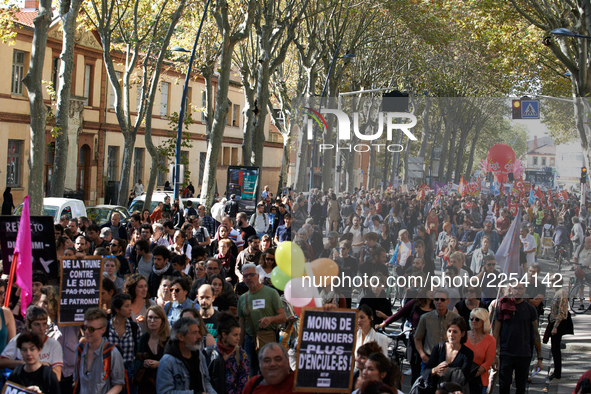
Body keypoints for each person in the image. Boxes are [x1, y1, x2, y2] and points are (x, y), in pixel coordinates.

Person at [238, 263, 286, 377]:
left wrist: (270, 319)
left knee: (269, 371)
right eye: (245, 276)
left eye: (251, 275)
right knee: (250, 373)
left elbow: (283, 317)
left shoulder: (271, 293)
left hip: (267, 338)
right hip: (249, 341)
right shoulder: (242, 298)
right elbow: (242, 327)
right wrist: (238, 349)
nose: (248, 278)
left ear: (258, 276)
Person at [493, 282, 542, 394]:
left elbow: (535, 333)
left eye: (520, 289)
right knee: (504, 385)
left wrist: (539, 358)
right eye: (515, 288)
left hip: (523, 353)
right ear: (511, 290)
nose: (517, 291)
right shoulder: (502, 306)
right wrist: (494, 354)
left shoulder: (530, 309)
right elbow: (496, 332)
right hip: (506, 353)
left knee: (521, 387)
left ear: (524, 290)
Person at [0, 306, 63, 381]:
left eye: (44, 324)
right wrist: (22, 363)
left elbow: (57, 377)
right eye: (37, 324)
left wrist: (39, 367)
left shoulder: (54, 345)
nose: (42, 329)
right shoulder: (18, 339)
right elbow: (2, 362)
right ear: (29, 325)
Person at [156, 317, 216, 393]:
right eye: (194, 333)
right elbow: (164, 392)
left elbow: (206, 381)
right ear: (181, 337)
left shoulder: (199, 356)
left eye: (198, 332)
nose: (199, 336)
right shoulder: (167, 362)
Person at [73, 308, 125, 394]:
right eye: (85, 327)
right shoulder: (80, 349)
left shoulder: (112, 352)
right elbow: (76, 380)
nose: (86, 332)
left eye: (91, 329)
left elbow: (118, 384)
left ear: (103, 330)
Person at [423, 317, 474, 393]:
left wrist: (445, 373)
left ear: (463, 334)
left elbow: (463, 378)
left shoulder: (467, 353)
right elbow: (425, 372)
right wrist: (435, 370)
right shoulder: (438, 348)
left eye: (455, 332)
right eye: (449, 331)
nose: (451, 334)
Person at [414, 289, 460, 370]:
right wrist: (422, 355)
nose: (439, 302)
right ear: (433, 301)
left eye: (442, 299)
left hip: (449, 359)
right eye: (436, 299)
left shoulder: (455, 318)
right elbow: (417, 338)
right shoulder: (425, 318)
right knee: (426, 381)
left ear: (448, 301)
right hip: (429, 358)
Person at [205, 312, 249, 394]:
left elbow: (244, 382)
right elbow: (206, 380)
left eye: (239, 335)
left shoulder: (241, 354)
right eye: (235, 335)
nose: (238, 338)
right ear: (224, 334)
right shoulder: (211, 353)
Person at [134, 306, 169, 394]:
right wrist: (144, 363)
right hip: (145, 384)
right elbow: (137, 360)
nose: (152, 321)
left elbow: (174, 362)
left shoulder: (168, 340)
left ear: (162, 320)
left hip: (164, 382)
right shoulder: (144, 338)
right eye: (150, 317)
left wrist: (159, 364)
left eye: (156, 318)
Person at [547, 273, 573, 381]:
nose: (550, 282)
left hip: (559, 323)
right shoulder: (557, 292)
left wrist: (555, 326)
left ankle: (557, 372)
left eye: (552, 280)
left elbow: (562, 312)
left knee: (556, 348)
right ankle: (556, 371)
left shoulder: (561, 293)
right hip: (555, 322)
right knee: (554, 348)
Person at [465, 308, 496, 394]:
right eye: (472, 318)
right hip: (463, 379)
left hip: (480, 380)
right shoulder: (464, 335)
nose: (474, 321)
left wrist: (473, 373)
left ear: (484, 321)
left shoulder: (491, 340)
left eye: (477, 319)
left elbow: (488, 363)